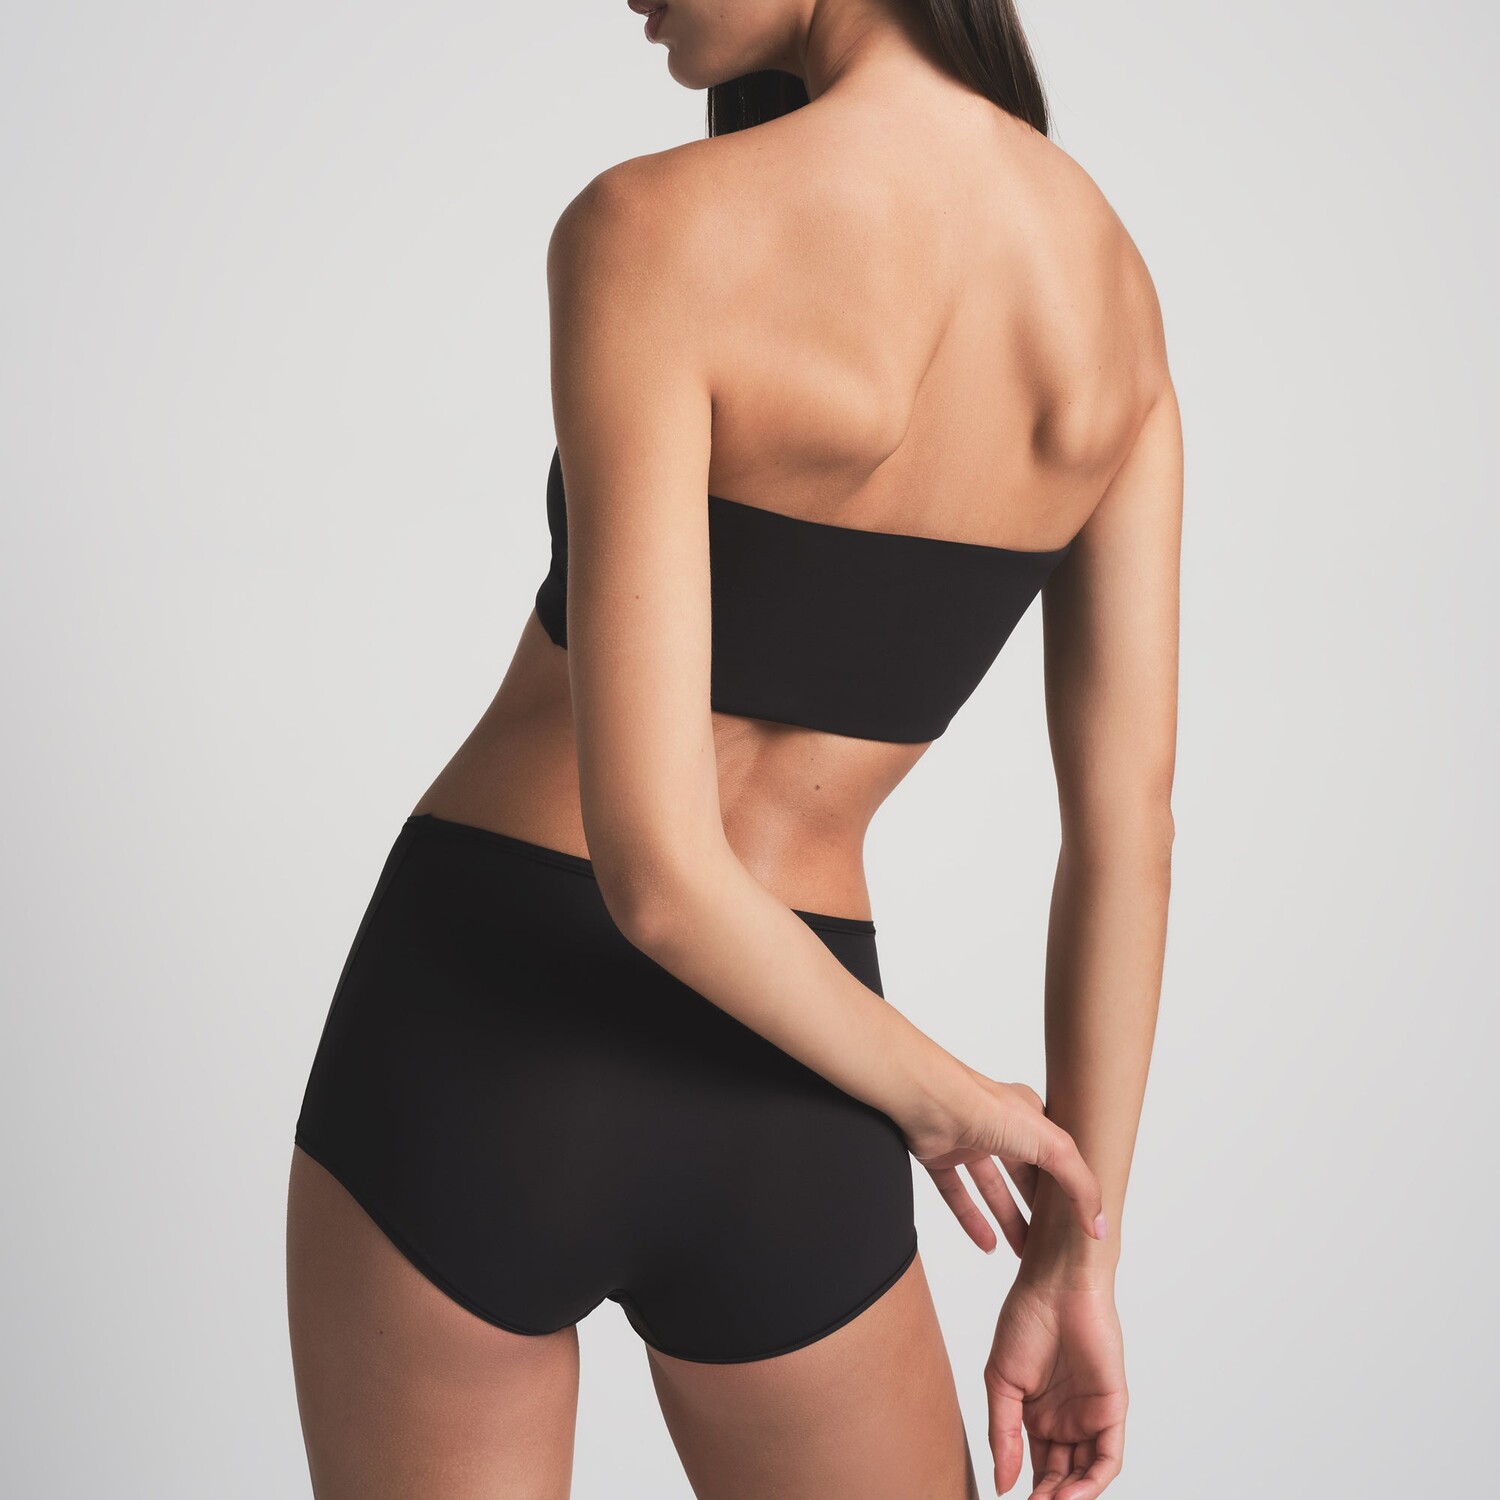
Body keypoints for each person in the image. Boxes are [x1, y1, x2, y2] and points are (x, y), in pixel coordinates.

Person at [285, 1, 1181, 1497]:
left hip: (484, 1023)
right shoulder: (1115, 303)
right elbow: (1127, 833)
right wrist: (1076, 1255)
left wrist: (942, 1097)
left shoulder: (654, 226)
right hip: (801, 1082)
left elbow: (657, 879)